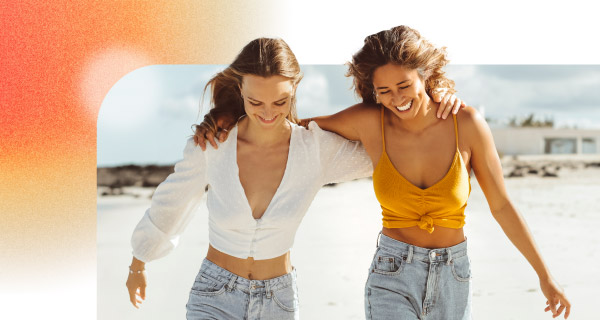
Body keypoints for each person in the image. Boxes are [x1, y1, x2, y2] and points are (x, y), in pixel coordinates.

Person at [194, 26, 571, 320]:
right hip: (393, 270)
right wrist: (227, 116)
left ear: (425, 75)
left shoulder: (466, 123)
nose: (396, 99)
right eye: (384, 91)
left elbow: (502, 205)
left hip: (455, 274)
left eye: (405, 85)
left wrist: (545, 275)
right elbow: (283, 125)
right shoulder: (370, 123)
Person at [126, 37, 462, 319]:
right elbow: (171, 202)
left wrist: (435, 98)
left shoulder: (315, 149)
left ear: (295, 92)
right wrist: (138, 263)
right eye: (255, 101)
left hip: (278, 300)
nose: (268, 113)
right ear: (239, 88)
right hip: (214, 294)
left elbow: (390, 145)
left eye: (281, 102)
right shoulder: (212, 145)